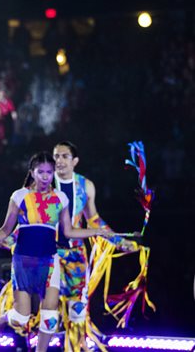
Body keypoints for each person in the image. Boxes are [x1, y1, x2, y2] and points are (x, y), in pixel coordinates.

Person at [0, 152, 110, 352]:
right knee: (22, 316)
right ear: (32, 172)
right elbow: (6, 229)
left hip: (49, 262)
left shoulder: (61, 198)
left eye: (49, 172)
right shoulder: (19, 196)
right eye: (40, 172)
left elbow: (68, 231)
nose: (45, 176)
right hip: (23, 262)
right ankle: (5, 318)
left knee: (51, 315)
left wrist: (98, 231)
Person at [52, 141, 138, 351]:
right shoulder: (44, 182)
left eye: (64, 156)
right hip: (49, 253)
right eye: (56, 156)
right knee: (49, 309)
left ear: (75, 161)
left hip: (75, 255)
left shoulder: (85, 186)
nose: (59, 161)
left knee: (77, 309)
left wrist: (119, 241)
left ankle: (74, 347)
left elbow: (94, 220)